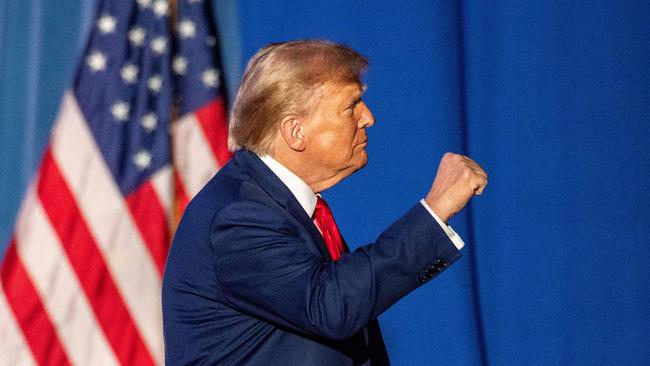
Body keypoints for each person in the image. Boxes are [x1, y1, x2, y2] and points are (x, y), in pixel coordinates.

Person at [162, 40, 488, 365]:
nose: (368, 117)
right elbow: (330, 306)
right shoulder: (239, 214)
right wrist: (435, 210)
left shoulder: (284, 204)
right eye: (352, 106)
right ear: (296, 132)